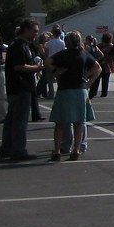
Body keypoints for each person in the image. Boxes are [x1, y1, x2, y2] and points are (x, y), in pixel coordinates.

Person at [48, 31, 101, 161]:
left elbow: (47, 61)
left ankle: (57, 151)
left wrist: (56, 71)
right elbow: (97, 67)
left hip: (65, 89)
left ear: (67, 42)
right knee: (79, 122)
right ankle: (76, 150)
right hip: (80, 90)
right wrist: (88, 80)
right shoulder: (83, 54)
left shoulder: (63, 54)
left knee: (60, 122)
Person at [0, 19, 43, 162]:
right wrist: (37, 68)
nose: (36, 34)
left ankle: (6, 149)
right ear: (26, 30)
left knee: (11, 121)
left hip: (15, 88)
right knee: (19, 121)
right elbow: (19, 66)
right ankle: (18, 151)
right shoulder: (19, 46)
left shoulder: (19, 45)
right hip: (20, 88)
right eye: (35, 31)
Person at [97, 32, 114, 97]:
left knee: (104, 80)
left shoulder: (111, 46)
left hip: (106, 66)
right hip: (100, 65)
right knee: (99, 80)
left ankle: (103, 93)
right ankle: (98, 92)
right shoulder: (99, 46)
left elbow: (112, 57)